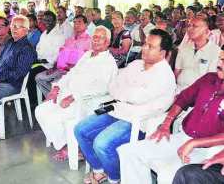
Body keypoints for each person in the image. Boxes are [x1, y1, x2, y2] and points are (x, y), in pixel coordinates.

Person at [119, 41, 224, 184]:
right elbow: (183, 98)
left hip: (210, 150)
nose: (218, 63)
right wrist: (166, 124)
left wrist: (195, 143)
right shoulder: (210, 79)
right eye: (219, 59)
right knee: (128, 152)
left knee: (168, 175)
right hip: (183, 137)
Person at [74, 29, 176, 184]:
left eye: (150, 46)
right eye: (144, 44)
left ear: (162, 53)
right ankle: (100, 170)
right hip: (118, 110)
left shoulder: (164, 75)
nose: (144, 48)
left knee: (102, 143)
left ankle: (115, 177)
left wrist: (125, 93)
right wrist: (126, 94)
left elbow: (137, 97)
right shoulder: (136, 64)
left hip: (138, 122)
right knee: (80, 130)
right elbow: (113, 86)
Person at [35, 26, 118, 161]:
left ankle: (73, 148)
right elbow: (71, 73)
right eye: (94, 37)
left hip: (84, 101)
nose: (95, 40)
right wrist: (56, 88)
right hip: (66, 93)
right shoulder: (87, 54)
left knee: (53, 118)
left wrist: (74, 97)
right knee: (40, 110)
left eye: (100, 38)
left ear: (107, 42)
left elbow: (102, 88)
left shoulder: (108, 62)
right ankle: (65, 143)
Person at [35, 15, 91, 97]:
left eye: (79, 22)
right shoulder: (69, 40)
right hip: (61, 69)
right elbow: (60, 55)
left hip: (75, 72)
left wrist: (73, 67)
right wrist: (54, 67)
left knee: (58, 83)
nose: (76, 25)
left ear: (86, 25)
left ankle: (56, 98)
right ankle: (53, 99)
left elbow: (88, 61)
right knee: (39, 77)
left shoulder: (89, 41)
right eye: (75, 22)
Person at [175, 16, 220, 92]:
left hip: (198, 94)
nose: (189, 29)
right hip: (178, 90)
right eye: (189, 26)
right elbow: (177, 71)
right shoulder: (184, 48)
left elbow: (210, 81)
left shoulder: (216, 51)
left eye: (195, 26)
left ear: (206, 31)